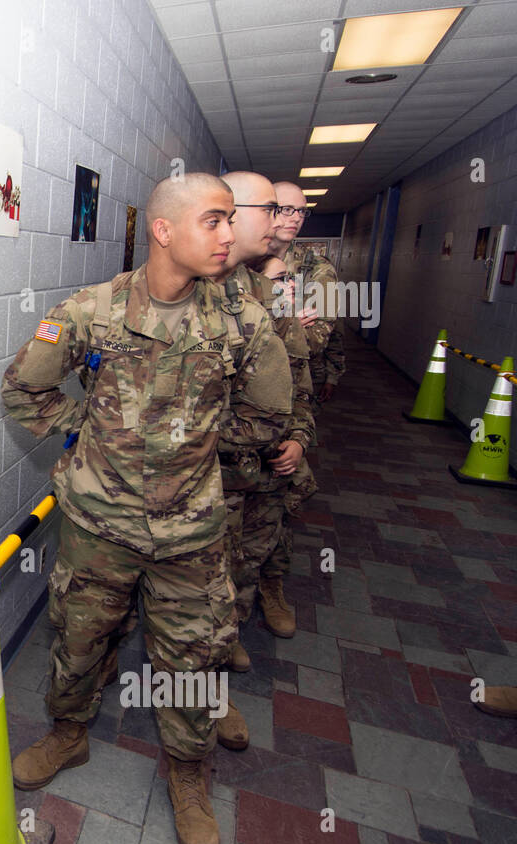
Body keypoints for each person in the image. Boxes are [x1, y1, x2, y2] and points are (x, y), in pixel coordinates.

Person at [2, 173, 291, 844]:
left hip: (190, 533)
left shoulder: (242, 320)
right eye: (214, 220)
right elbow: (24, 389)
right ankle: (69, 734)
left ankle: (188, 775)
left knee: (189, 658)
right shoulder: (92, 311)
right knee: (77, 640)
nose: (229, 235)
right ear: (164, 230)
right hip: (98, 527)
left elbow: (269, 411)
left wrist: (203, 449)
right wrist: (88, 435)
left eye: (231, 221)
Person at [213, 172, 312, 656]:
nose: (279, 222)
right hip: (211, 476)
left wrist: (299, 437)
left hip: (267, 469)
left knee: (248, 562)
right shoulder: (190, 288)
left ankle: (231, 644)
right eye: (270, 210)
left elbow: (298, 381)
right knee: (205, 578)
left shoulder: (270, 296)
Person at [268, 181, 345, 410]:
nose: (296, 218)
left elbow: (316, 340)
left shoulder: (318, 269)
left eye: (302, 211)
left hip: (294, 382)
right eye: (287, 209)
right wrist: (287, 323)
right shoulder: (238, 260)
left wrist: (333, 374)